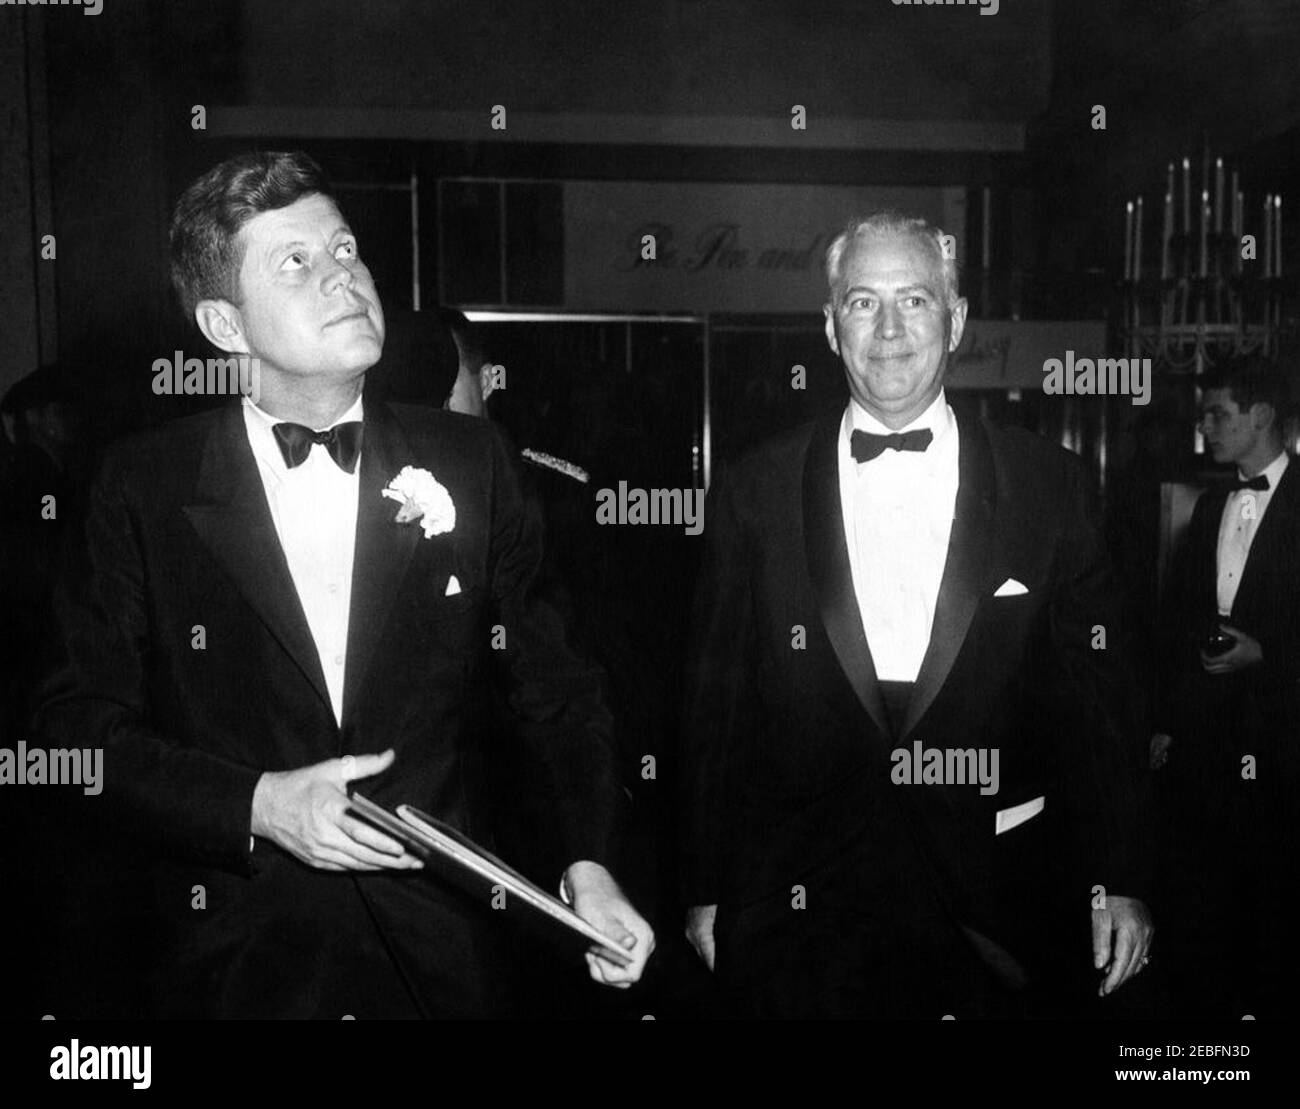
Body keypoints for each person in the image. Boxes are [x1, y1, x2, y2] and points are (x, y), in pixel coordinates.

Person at [30, 151, 653, 1018]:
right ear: (224, 323)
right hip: (234, 964)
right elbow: (76, 734)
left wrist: (591, 864)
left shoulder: (473, 464)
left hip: (451, 958)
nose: (343, 276)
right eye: (295, 262)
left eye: (346, 248)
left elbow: (560, 695)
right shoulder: (141, 485)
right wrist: (259, 803)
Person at [680, 211, 1153, 1018]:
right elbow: (711, 704)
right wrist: (703, 885)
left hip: (1000, 904)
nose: (890, 329)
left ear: (958, 319)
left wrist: (1125, 878)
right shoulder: (752, 487)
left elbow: (1101, 705)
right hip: (802, 908)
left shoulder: (1053, 485)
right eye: (863, 303)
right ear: (830, 328)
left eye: (916, 301)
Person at [1152, 356, 1299, 1018]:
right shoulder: (1210, 505)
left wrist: (1267, 654)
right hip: (1208, 745)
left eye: (1218, 413)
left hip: (1286, 745)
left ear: (1261, 415)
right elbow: (1177, 625)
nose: (1203, 426)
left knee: (1276, 908)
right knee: (1208, 905)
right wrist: (1163, 723)